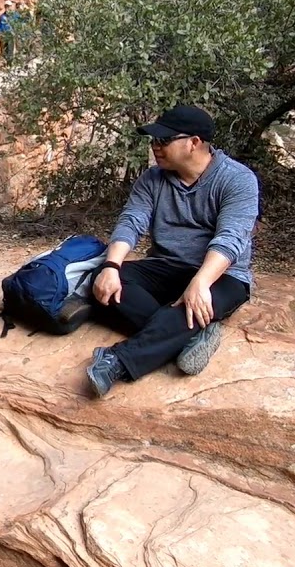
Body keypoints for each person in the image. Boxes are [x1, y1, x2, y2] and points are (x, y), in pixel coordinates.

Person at [84, 104, 260, 398]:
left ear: (194, 142)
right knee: (101, 283)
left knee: (191, 308)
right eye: (153, 140)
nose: (155, 146)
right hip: (166, 266)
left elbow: (230, 238)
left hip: (222, 274)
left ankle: (116, 361)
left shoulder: (237, 180)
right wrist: (111, 267)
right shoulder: (152, 179)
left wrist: (200, 282)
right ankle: (193, 333)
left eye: (164, 140)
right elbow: (132, 221)